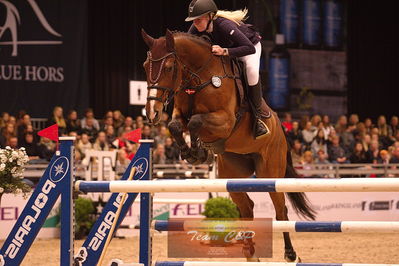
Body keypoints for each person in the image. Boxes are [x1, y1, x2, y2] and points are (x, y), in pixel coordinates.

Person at [186, 0, 268, 139]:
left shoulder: (224, 25)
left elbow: (249, 48)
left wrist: (225, 51)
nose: (195, 23)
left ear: (209, 16)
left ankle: (258, 118)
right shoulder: (196, 28)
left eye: (198, 20)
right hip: (229, 49)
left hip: (248, 49)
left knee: (251, 71)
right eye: (193, 20)